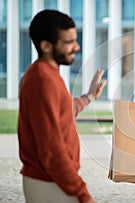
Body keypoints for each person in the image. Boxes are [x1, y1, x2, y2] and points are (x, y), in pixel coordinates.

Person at [17, 10, 106, 203]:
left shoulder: (48, 73)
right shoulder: (42, 79)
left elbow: (62, 111)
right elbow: (51, 150)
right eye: (68, 42)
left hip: (52, 181)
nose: (76, 46)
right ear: (46, 46)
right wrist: (82, 193)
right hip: (50, 183)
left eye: (75, 39)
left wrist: (88, 97)